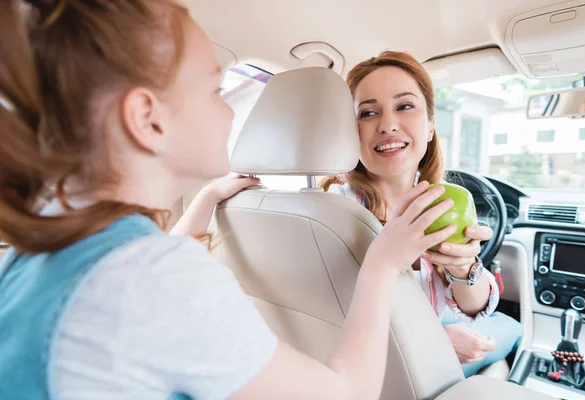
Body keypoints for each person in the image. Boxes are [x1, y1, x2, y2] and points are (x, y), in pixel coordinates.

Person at [0, 1, 460, 399]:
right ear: (147, 119)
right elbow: (345, 393)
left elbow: (149, 267)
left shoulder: (51, 234)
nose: (228, 112)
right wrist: (381, 264)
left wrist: (205, 201)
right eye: (214, 89)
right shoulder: (151, 278)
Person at [321, 51, 523, 377]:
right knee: (512, 329)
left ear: (430, 126)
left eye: (405, 106)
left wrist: (463, 267)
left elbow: (472, 307)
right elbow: (328, 318)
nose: (387, 124)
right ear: (351, 132)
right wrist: (436, 339)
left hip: (428, 333)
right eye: (368, 112)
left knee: (500, 323)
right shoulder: (335, 214)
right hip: (399, 370)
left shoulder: (441, 202)